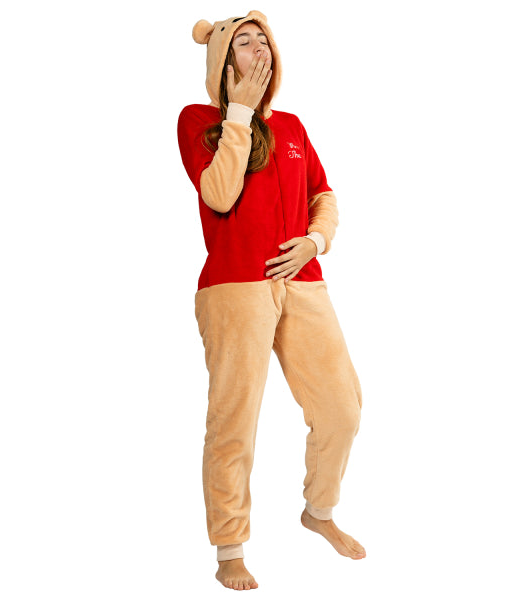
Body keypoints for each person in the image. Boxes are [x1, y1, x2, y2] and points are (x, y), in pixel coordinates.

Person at [177, 10, 366, 591]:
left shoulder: (293, 126)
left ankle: (319, 512)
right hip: (235, 286)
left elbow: (323, 196)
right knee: (234, 420)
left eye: (264, 40)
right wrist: (237, 113)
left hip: (303, 279)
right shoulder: (198, 121)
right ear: (222, 60)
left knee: (342, 407)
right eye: (243, 41)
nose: (258, 48)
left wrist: (315, 240)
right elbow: (219, 193)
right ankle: (230, 548)